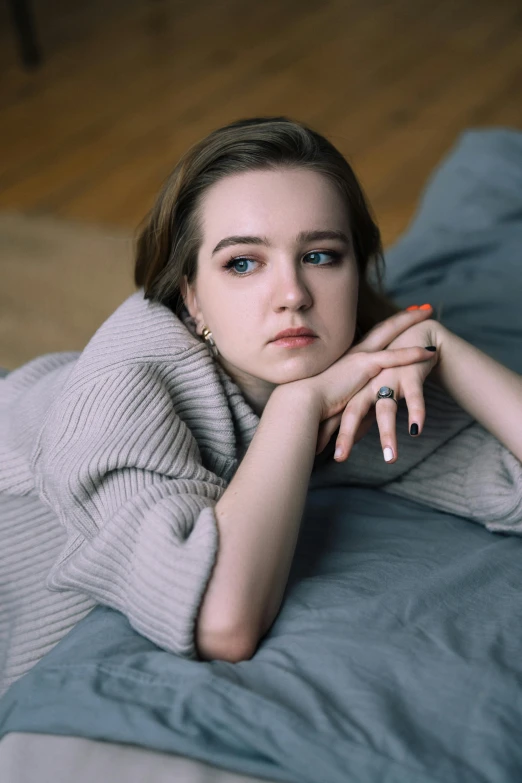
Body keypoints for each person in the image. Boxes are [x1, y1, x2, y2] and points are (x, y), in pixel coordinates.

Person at [1, 116, 521, 698]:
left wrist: (444, 345)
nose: (294, 295)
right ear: (191, 297)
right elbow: (222, 624)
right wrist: (297, 410)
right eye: (243, 263)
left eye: (321, 256)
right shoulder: (119, 393)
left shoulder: (363, 369)